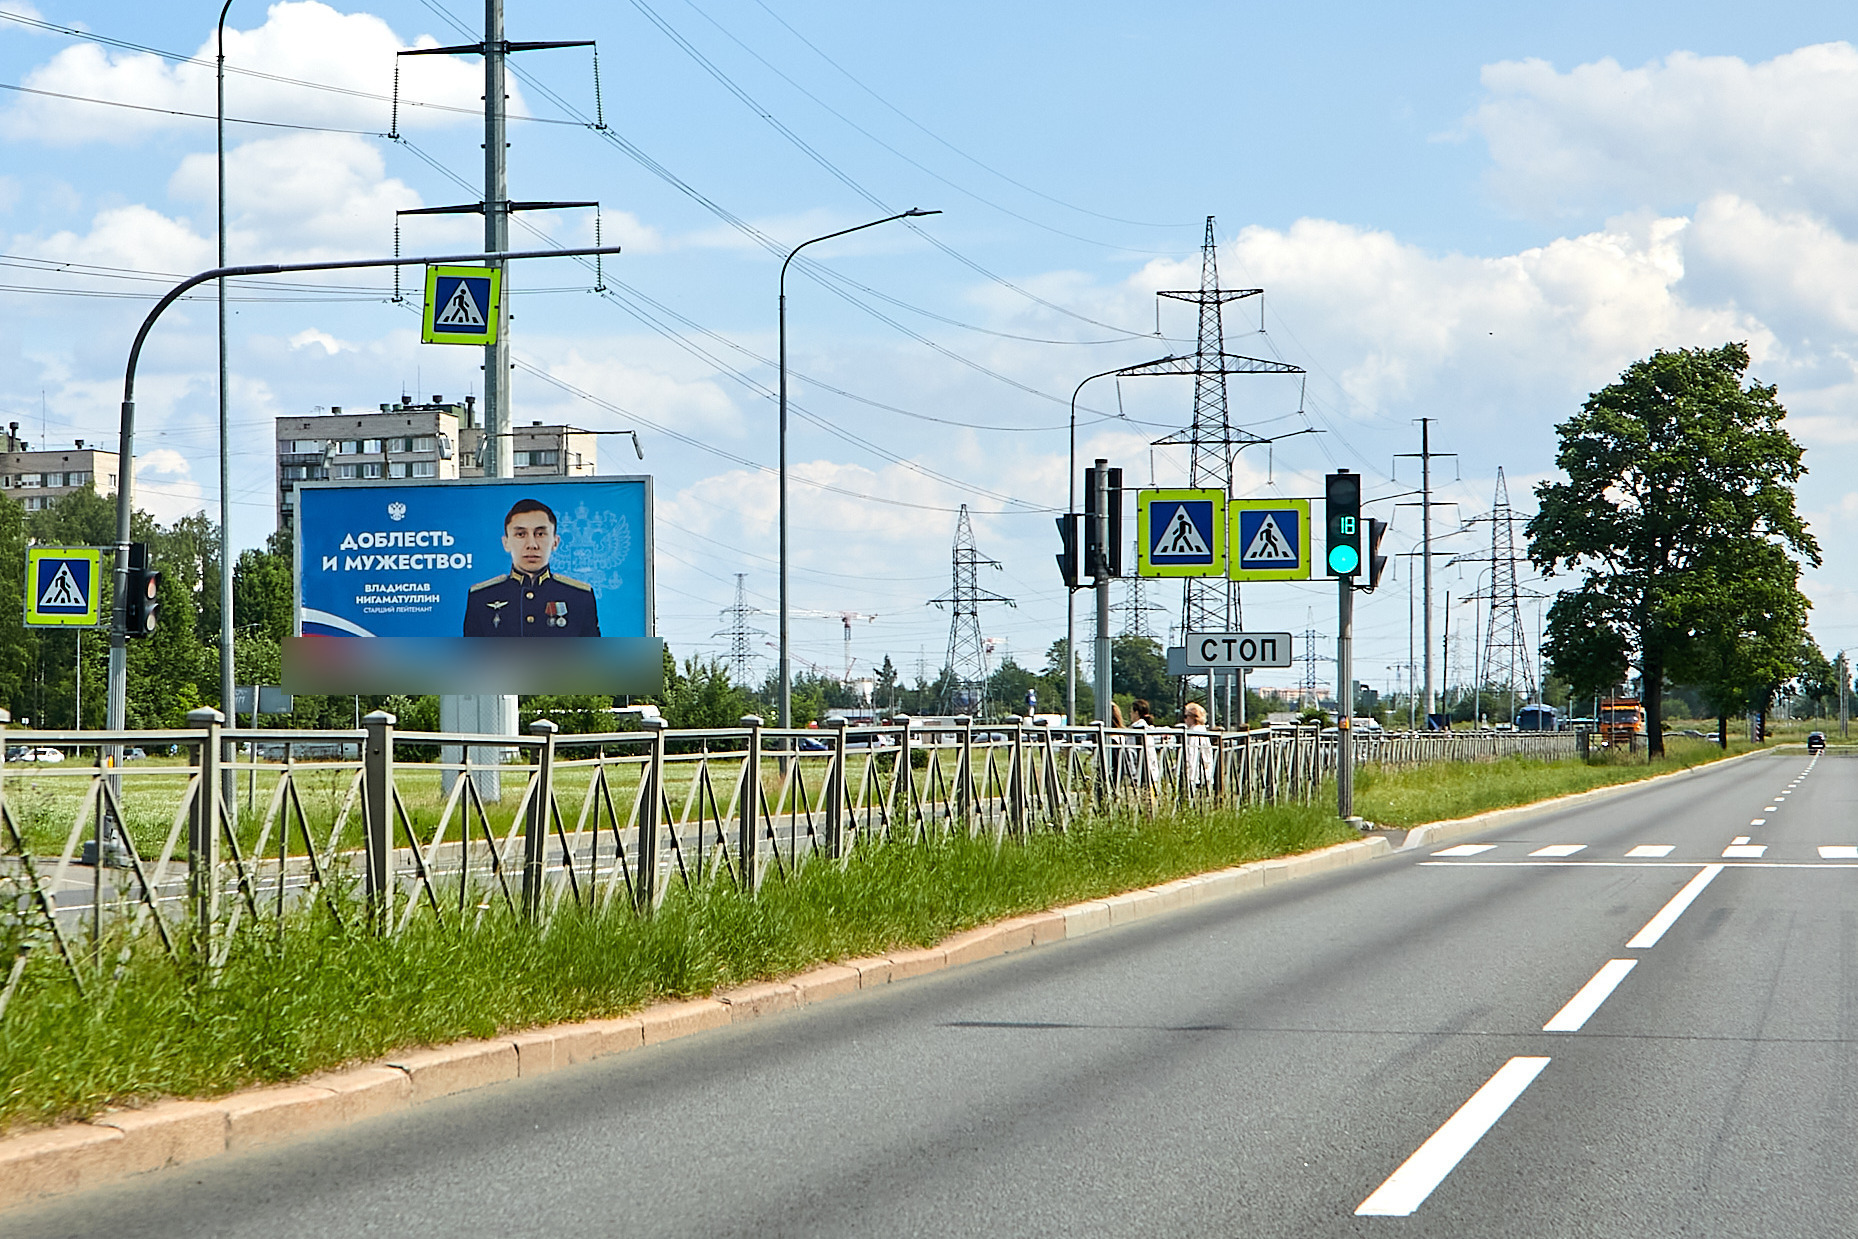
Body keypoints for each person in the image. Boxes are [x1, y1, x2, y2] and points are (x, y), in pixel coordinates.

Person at [463, 498, 601, 637]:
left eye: (540, 534)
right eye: (521, 534)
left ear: (555, 542)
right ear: (506, 543)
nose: (532, 544)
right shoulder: (481, 598)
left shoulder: (579, 597)